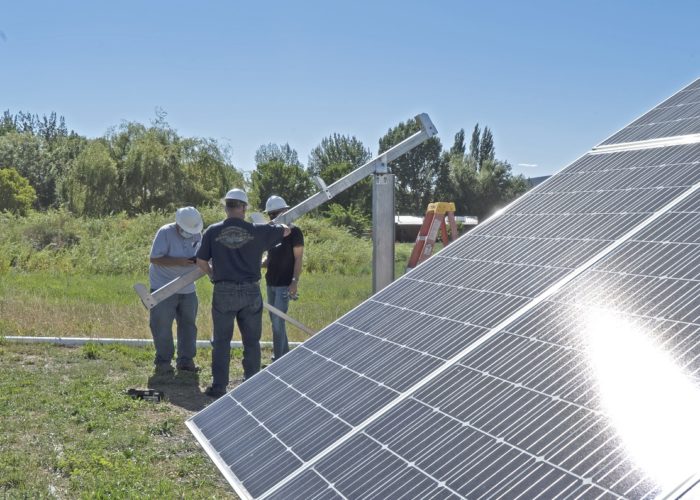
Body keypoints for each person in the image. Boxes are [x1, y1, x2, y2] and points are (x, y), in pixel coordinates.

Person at [196, 188, 290, 399]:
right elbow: (285, 230)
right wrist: (275, 224)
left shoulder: (212, 231)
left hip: (223, 290)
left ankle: (219, 386)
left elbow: (201, 261)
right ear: (244, 207)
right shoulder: (258, 230)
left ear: (226, 207)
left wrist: (212, 276)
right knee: (251, 341)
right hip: (251, 290)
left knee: (221, 341)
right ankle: (251, 384)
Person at [149, 206, 203, 374]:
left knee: (188, 324)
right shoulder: (165, 232)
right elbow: (154, 258)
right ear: (178, 224)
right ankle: (163, 361)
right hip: (163, 286)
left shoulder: (198, 233)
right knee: (161, 324)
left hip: (188, 286)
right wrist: (178, 261)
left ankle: (186, 361)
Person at [262, 195, 304, 362]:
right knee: (275, 321)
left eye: (276, 213)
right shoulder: (272, 233)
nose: (273, 218)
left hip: (284, 284)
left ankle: (278, 359)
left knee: (278, 322)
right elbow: (269, 258)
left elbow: (298, 258)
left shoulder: (295, 232)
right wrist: (256, 263)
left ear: (286, 211)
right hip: (270, 282)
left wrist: (294, 281)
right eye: (270, 215)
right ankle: (284, 354)